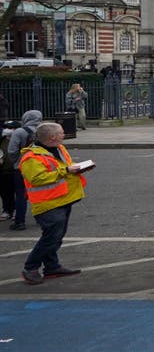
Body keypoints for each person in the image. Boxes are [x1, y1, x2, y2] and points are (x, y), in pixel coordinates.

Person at [17, 122, 89, 285]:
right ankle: (31, 267)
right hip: (47, 202)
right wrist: (65, 171)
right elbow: (37, 179)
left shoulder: (59, 148)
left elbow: (65, 167)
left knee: (57, 235)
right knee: (51, 236)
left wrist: (78, 169)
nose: (64, 135)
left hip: (64, 197)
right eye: (61, 133)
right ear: (52, 137)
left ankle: (51, 267)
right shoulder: (31, 158)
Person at [6, 110, 43, 231]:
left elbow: (12, 151)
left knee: (21, 195)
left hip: (22, 166)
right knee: (38, 193)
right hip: (40, 166)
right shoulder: (44, 130)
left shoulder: (20, 132)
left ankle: (20, 221)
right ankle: (41, 218)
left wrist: (17, 161)